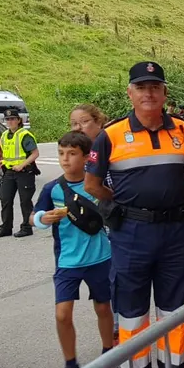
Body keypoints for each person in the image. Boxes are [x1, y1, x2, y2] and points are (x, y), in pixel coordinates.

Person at [85, 61, 184, 368]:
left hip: (175, 233)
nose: (149, 93)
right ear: (130, 93)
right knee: (132, 315)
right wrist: (122, 204)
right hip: (131, 234)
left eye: (155, 87)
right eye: (141, 87)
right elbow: (92, 184)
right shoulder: (111, 135)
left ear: (165, 93)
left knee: (175, 311)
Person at [31, 131, 119, 368]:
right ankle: (70, 364)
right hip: (67, 261)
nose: (65, 159)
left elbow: (115, 208)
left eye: (72, 154)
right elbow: (34, 215)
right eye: (61, 153)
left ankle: (108, 355)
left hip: (101, 257)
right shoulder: (52, 189)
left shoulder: (97, 185)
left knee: (103, 308)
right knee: (62, 313)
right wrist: (43, 218)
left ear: (86, 158)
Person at [69, 104, 119, 346]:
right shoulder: (80, 152)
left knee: (117, 279)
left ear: (99, 121)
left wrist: (114, 202)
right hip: (97, 229)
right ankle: (114, 332)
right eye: (73, 124)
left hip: (118, 222)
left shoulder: (111, 140)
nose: (78, 128)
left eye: (83, 122)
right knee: (107, 281)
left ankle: (119, 332)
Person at [0, 108, 39, 238]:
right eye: (7, 119)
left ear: (19, 120)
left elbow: (35, 153)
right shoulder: (4, 136)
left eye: (13, 119)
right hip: (9, 172)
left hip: (24, 172)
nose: (10, 121)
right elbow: (8, 153)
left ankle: (26, 227)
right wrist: (2, 161)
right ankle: (6, 227)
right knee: (5, 198)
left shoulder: (25, 135)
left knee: (25, 201)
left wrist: (21, 165)